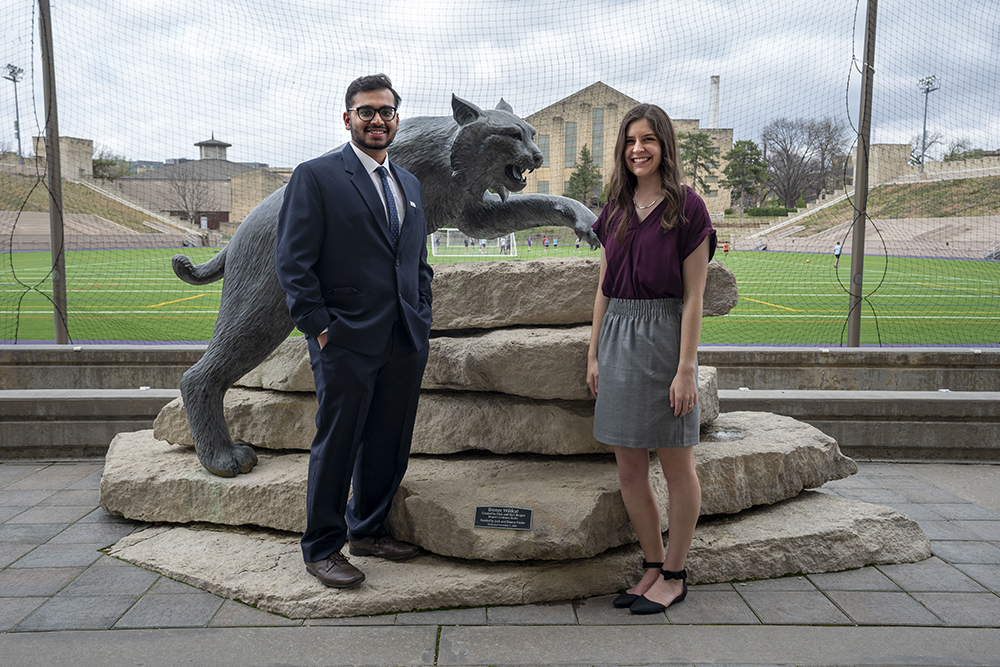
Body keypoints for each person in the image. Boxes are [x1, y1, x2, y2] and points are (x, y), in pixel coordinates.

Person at [275, 74, 432, 589]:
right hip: (344, 340)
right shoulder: (316, 176)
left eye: (386, 111)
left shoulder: (408, 184)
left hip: (403, 339)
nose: (377, 120)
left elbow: (416, 261)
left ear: (396, 120)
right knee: (338, 444)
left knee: (389, 442)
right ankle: (322, 547)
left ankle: (368, 529)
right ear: (348, 119)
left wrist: (422, 314)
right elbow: (294, 264)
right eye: (366, 111)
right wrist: (321, 329)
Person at [586, 103, 715, 615]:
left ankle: (677, 573)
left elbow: (693, 298)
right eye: (630, 141)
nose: (637, 149)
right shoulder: (615, 207)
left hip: (664, 338)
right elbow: (602, 286)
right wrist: (593, 351)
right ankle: (653, 564)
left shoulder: (688, 208)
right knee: (628, 467)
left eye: (648, 140)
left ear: (664, 146)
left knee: (677, 463)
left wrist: (686, 368)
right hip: (618, 335)